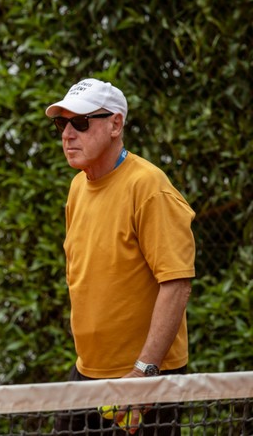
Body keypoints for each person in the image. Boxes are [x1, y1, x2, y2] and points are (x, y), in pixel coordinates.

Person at [46, 78, 195, 435]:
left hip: (144, 382)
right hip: (88, 374)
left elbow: (176, 284)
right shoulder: (78, 186)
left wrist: (144, 372)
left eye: (80, 122)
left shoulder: (149, 187)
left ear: (115, 124)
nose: (68, 133)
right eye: (61, 123)